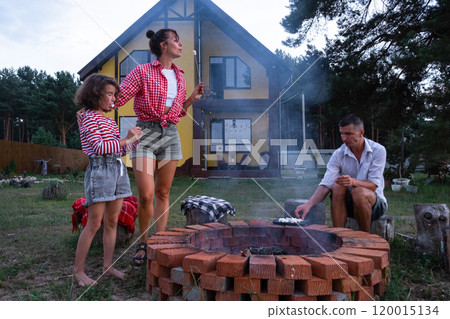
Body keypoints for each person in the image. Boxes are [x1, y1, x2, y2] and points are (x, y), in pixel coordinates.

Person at [113, 29, 204, 265]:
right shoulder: (142, 72)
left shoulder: (181, 76)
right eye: (176, 40)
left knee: (163, 193)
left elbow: (177, 113)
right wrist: (92, 106)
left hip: (171, 135)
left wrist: (192, 98)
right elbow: (118, 98)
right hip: (146, 134)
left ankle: (160, 240)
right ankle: (143, 243)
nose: (180, 44)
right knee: (146, 194)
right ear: (163, 45)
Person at [73, 74, 142, 286]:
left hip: (117, 171)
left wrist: (133, 142)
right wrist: (126, 139)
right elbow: (99, 148)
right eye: (110, 94)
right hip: (100, 173)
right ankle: (79, 272)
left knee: (112, 221)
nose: (114, 99)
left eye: (114, 94)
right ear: (96, 94)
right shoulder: (88, 118)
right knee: (94, 223)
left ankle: (108, 266)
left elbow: (117, 150)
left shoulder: (108, 120)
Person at [294, 114, 387, 232]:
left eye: (348, 134)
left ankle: (365, 238)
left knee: (359, 192)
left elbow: (374, 185)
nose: (343, 138)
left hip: (375, 204)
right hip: (348, 206)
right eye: (342, 133)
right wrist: (308, 204)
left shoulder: (378, 150)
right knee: (337, 186)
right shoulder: (338, 154)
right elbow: (326, 184)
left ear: (361, 133)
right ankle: (339, 236)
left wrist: (353, 181)